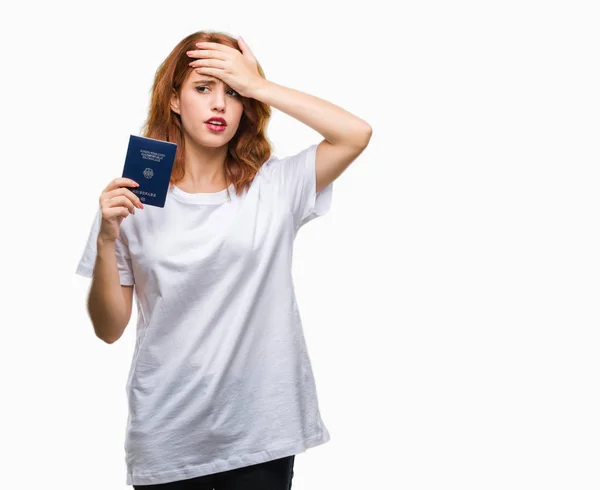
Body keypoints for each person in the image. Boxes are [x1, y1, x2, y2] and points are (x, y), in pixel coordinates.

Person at [75, 30, 372, 489]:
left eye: (233, 93)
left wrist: (258, 85)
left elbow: (356, 134)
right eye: (203, 88)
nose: (220, 104)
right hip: (167, 432)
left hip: (260, 429)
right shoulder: (133, 199)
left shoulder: (276, 187)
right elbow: (108, 328)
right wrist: (104, 241)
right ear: (174, 100)